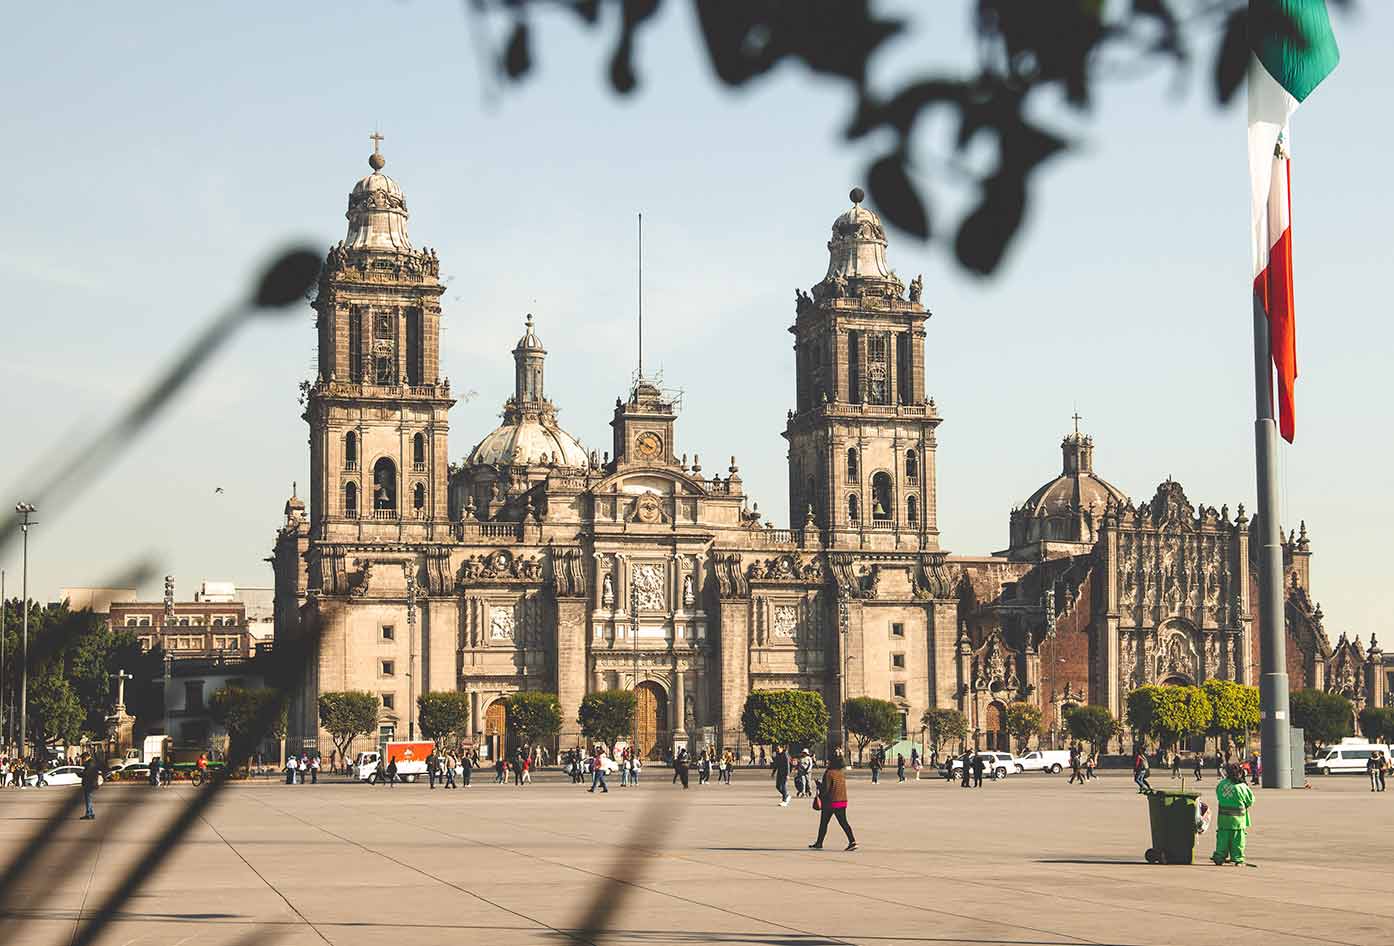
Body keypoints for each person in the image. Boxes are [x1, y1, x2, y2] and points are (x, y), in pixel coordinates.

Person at [808, 750, 856, 851]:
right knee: (843, 822)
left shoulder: (829, 773)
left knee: (824, 823)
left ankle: (819, 843)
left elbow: (826, 789)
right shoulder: (841, 773)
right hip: (842, 801)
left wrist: (819, 786)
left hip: (831, 802)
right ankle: (852, 841)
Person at [1211, 762, 1255, 866]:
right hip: (1238, 820)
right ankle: (1237, 859)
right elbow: (1250, 801)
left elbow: (1218, 796)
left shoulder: (1221, 785)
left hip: (1223, 820)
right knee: (1238, 841)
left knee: (1222, 840)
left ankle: (1219, 857)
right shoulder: (1241, 787)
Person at [80, 752, 100, 820]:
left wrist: (80, 774)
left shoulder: (90, 764)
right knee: (89, 799)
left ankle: (89, 814)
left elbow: (87, 774)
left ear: (86, 757)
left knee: (88, 799)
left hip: (89, 783)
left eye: (83, 759)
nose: (82, 760)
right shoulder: (92, 763)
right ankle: (91, 813)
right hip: (90, 783)